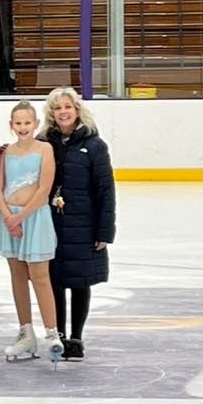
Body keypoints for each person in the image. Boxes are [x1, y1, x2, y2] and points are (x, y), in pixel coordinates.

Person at [40, 87, 116, 361]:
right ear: (52, 113)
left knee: (80, 282)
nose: (63, 112)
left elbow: (105, 189)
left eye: (67, 107)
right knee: (55, 281)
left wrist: (105, 231)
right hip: (50, 224)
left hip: (84, 226)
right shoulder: (44, 142)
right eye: (58, 108)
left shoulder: (94, 145)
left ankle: (76, 338)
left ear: (77, 109)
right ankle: (57, 335)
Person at [0, 101, 64, 362]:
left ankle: (52, 333)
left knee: (40, 275)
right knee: (17, 276)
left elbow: (44, 189)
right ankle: (26, 333)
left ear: (35, 124)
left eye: (27, 123)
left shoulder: (45, 149)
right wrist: (9, 217)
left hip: (34, 218)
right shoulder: (6, 152)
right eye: (18, 123)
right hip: (10, 220)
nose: (23, 127)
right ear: (11, 125)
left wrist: (20, 217)